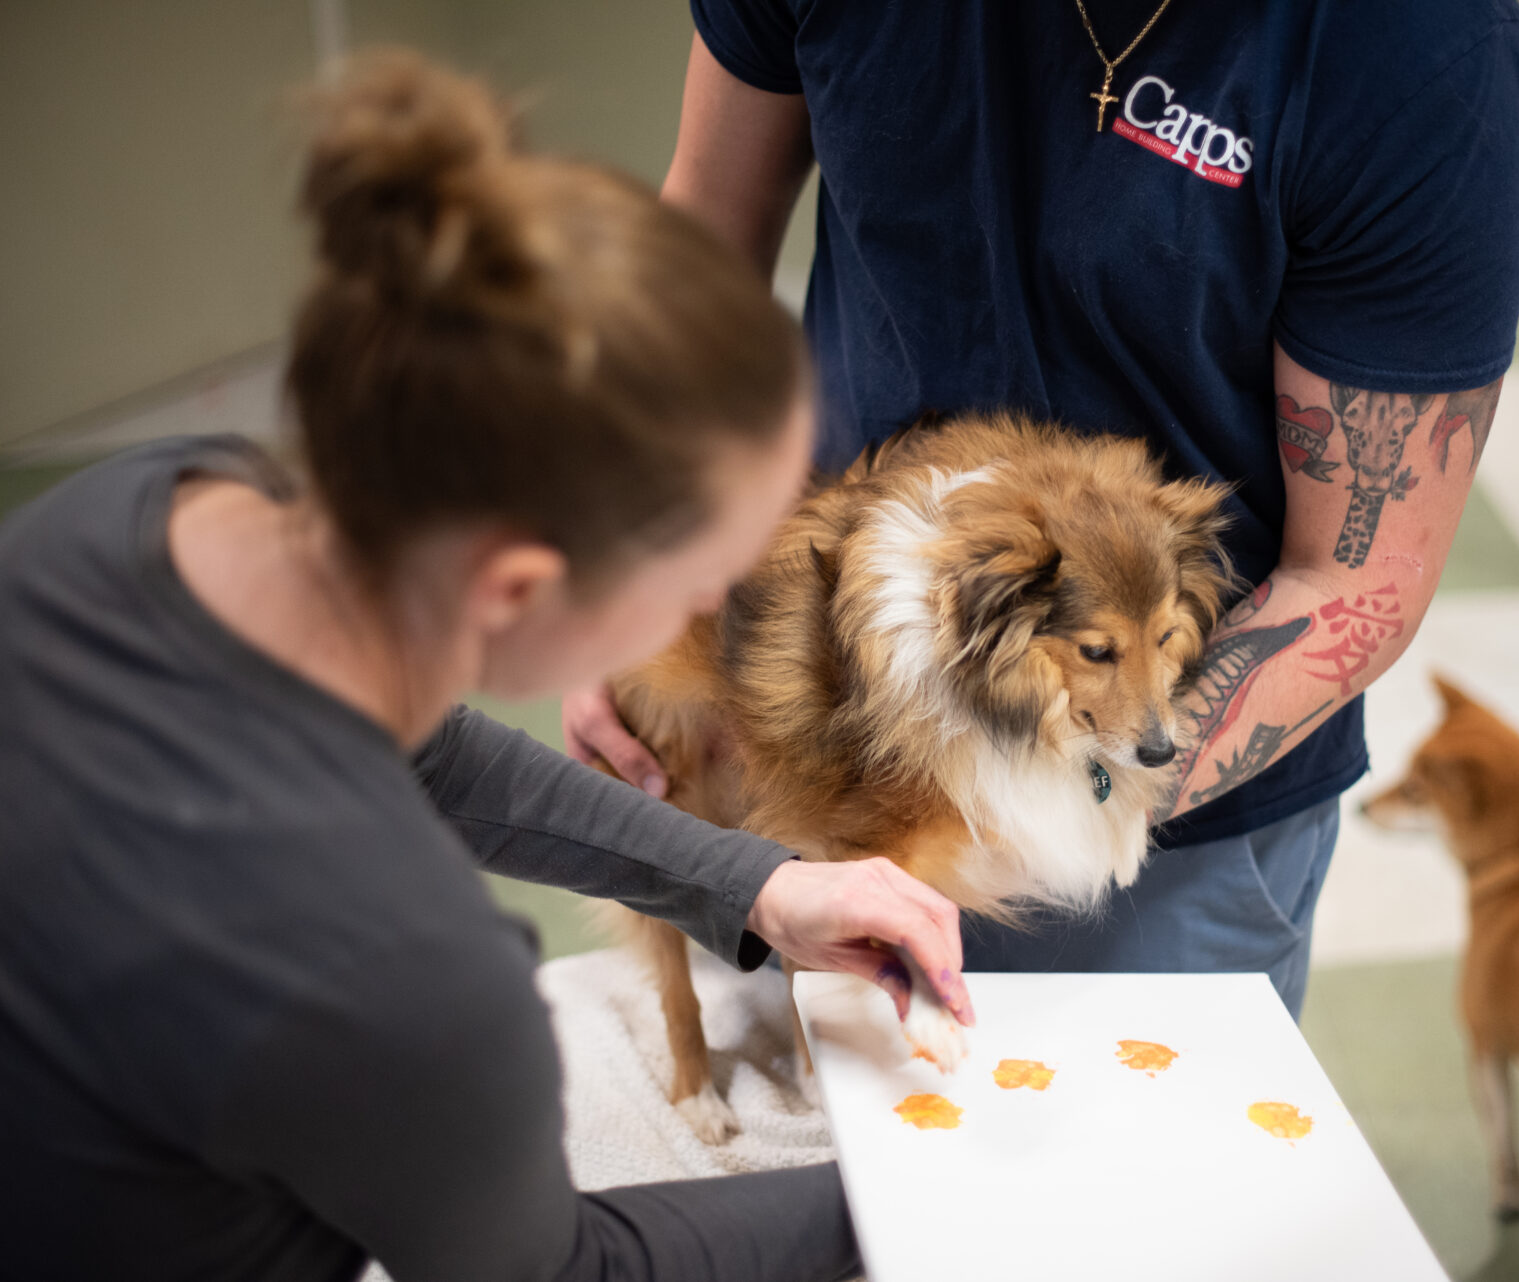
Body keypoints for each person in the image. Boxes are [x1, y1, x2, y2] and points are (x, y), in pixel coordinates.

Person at [0, 51, 973, 1282]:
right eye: (707, 578)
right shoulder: (414, 975)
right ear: (517, 587)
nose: (712, 609)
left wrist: (756, 885)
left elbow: (421, 752)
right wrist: (923, 1184)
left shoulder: (143, 508)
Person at [564, 0, 1519, 1016]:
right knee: (790, 1107)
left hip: (1157, 849)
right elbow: (702, 242)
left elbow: (1358, 576)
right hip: (812, 712)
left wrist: (1037, 800)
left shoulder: (1418, 59)